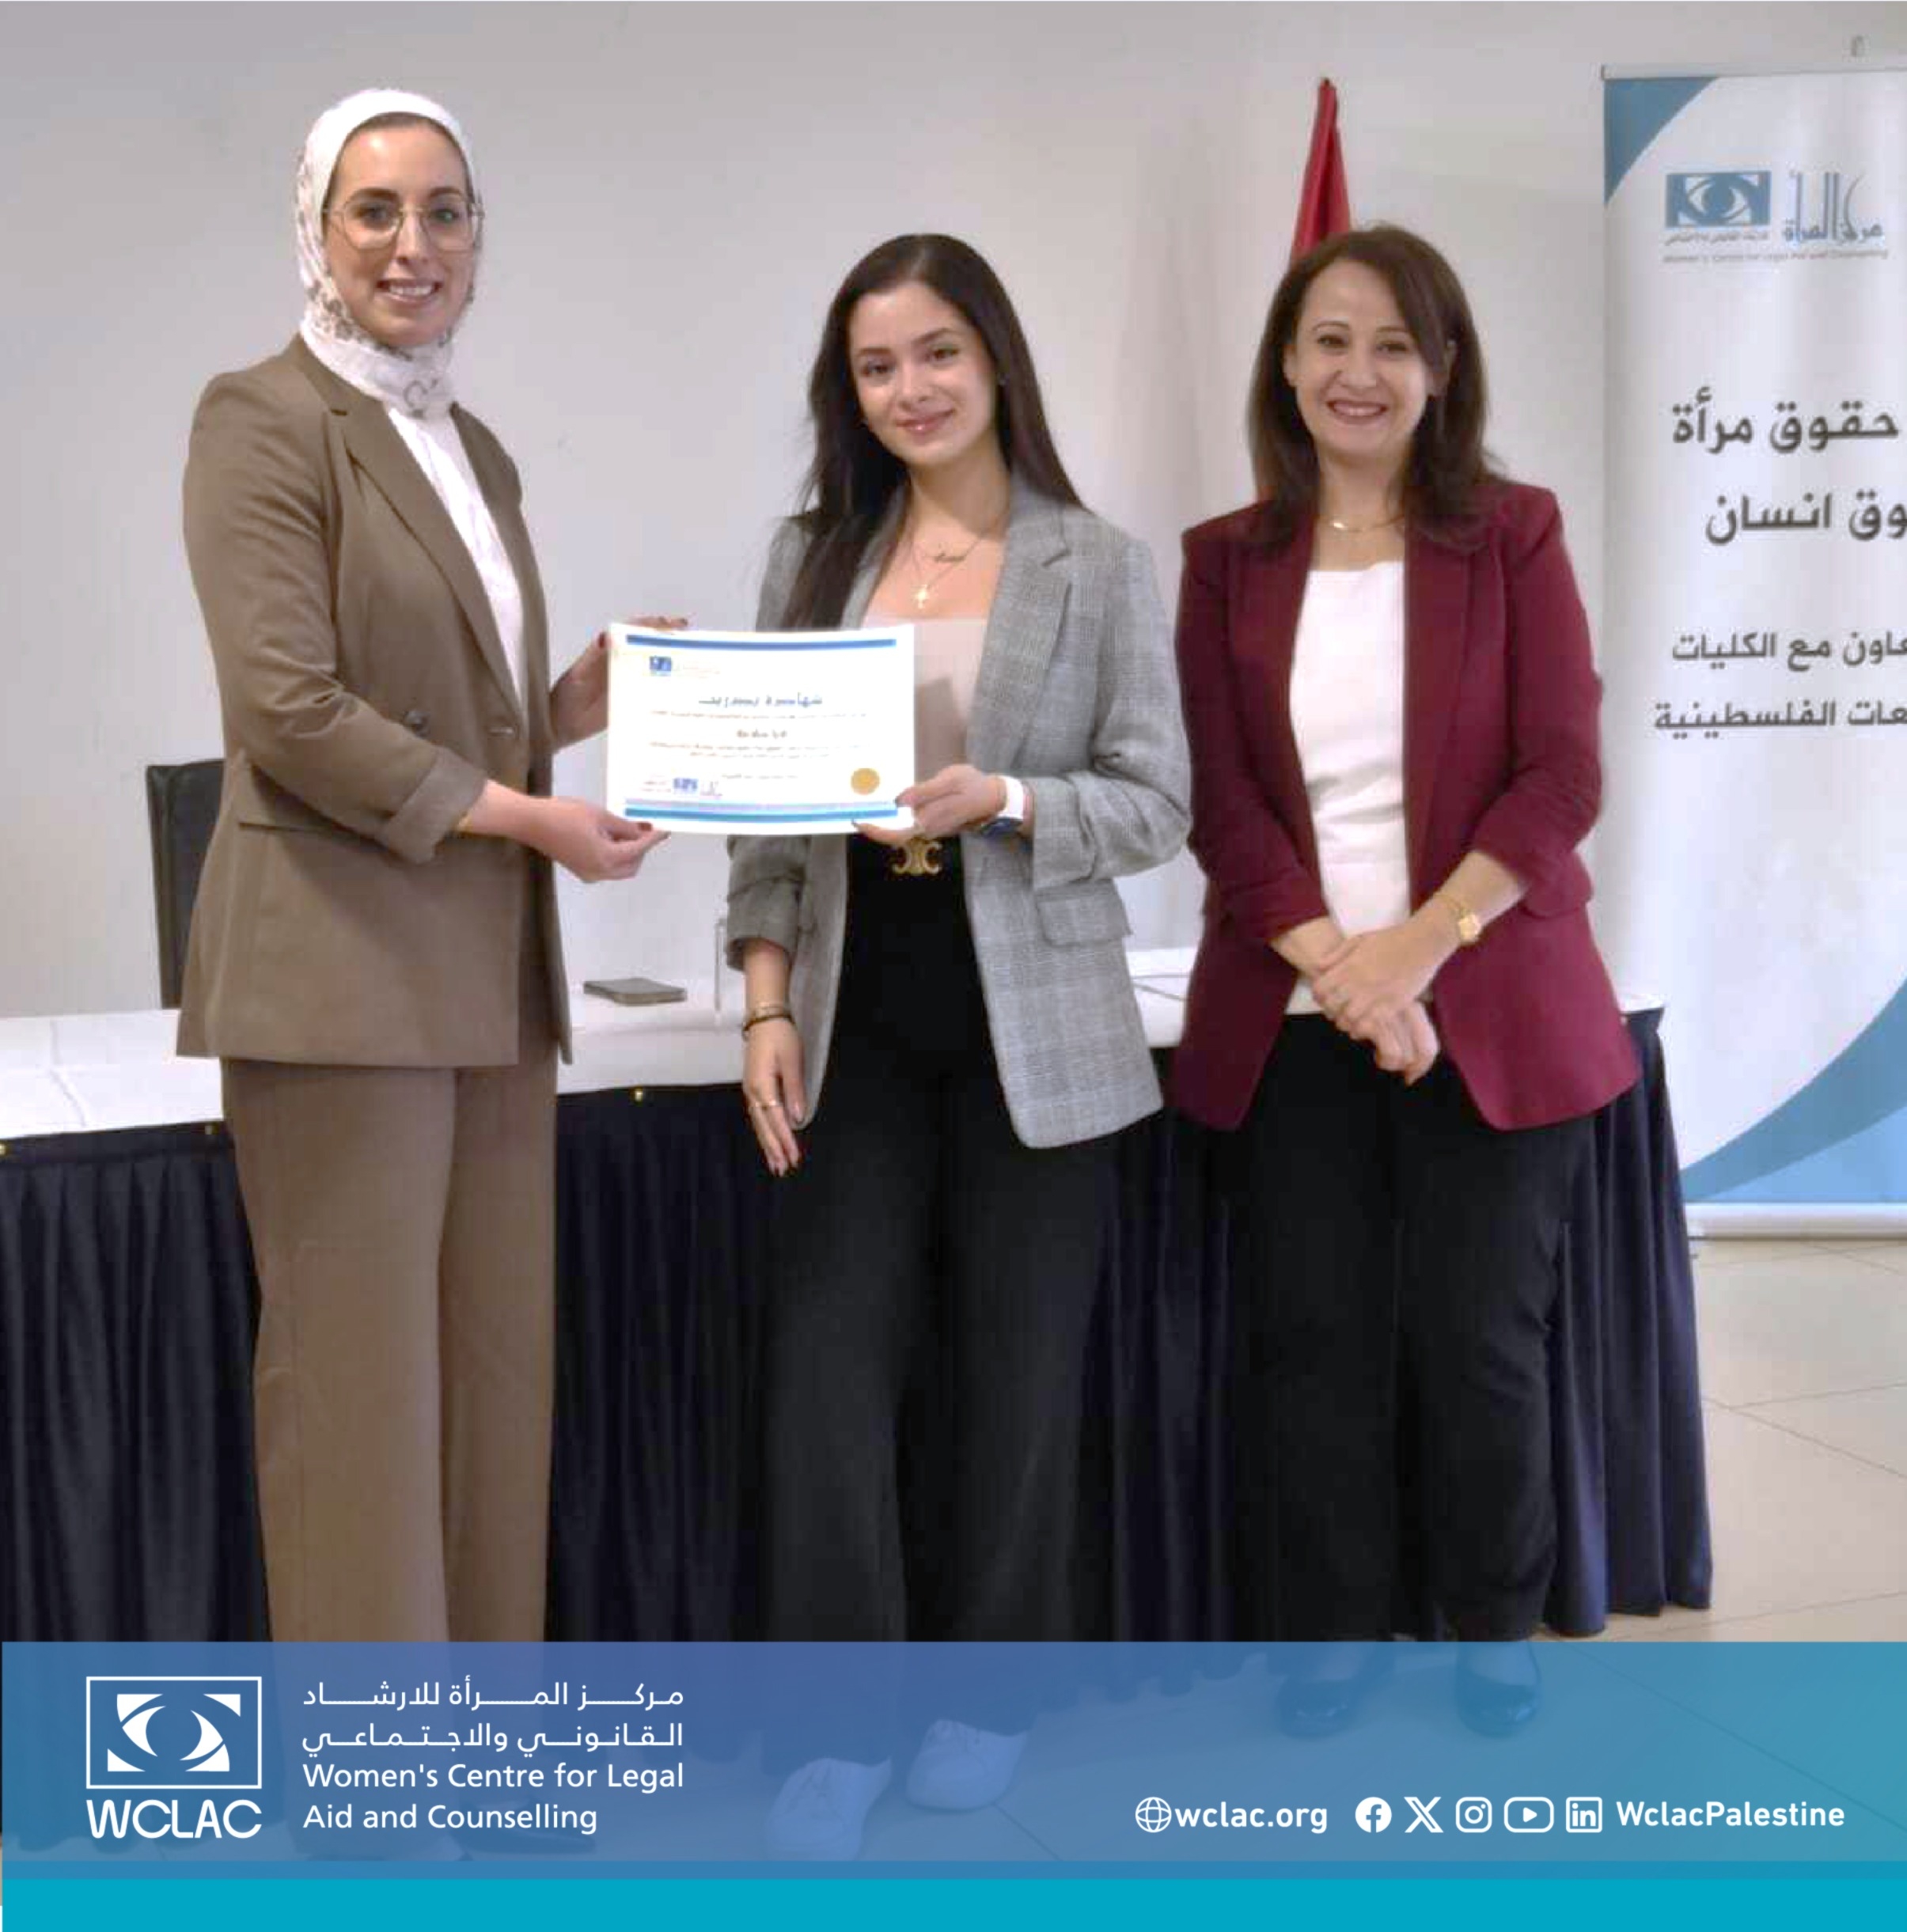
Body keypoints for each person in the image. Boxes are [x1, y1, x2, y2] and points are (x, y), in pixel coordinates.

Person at [179, 88, 666, 1643]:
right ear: (315, 232)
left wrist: (581, 705)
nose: (413, 244)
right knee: (361, 1416)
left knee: (491, 1398)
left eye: (445, 211)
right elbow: (288, 709)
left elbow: (461, 713)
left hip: (488, 987)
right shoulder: (261, 417)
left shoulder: (474, 446)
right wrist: (532, 820)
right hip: (341, 982)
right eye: (375, 210)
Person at [726, 233, 1189, 1855]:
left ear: (993, 357)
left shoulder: (1094, 561)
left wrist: (1006, 797)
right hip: (851, 1026)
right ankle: (835, 1730)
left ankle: (987, 1701)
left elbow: (1155, 801)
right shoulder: (814, 560)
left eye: (935, 352)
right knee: (825, 1387)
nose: (909, 388)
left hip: (1036, 1031)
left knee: (1015, 1384)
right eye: (875, 366)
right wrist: (763, 1000)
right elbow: (765, 826)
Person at [1170, 225, 1638, 1735]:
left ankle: (1491, 1619)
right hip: (1294, 1015)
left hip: (1489, 998)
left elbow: (1560, 775)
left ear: (1440, 371)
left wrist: (1416, 946)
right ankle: (1332, 1629)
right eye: (1327, 339)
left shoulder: (1511, 534)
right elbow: (1221, 800)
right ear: (1284, 363)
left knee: (1479, 1335)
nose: (1355, 371)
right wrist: (1340, 968)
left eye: (1389, 343)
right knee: (1312, 1342)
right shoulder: (1224, 560)